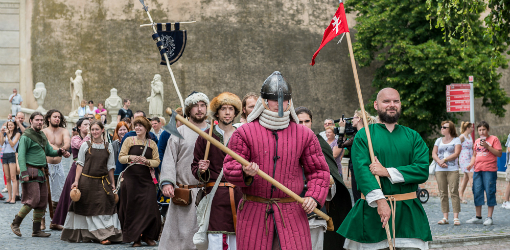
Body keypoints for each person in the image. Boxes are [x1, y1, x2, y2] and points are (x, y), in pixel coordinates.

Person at [223, 71, 330, 250]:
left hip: (292, 213)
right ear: (263, 101)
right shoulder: (244, 132)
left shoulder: (304, 134)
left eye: (285, 99)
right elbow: (229, 167)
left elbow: (318, 171)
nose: (280, 104)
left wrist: (313, 196)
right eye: (274, 99)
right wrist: (244, 172)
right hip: (254, 213)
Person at [338, 88, 432, 250]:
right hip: (373, 211)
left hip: (408, 213)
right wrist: (380, 201)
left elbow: (422, 170)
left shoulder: (413, 136)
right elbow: (362, 172)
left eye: (396, 101)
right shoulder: (364, 135)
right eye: (386, 101)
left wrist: (386, 171)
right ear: (376, 105)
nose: (392, 105)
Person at [295, 106, 352, 250]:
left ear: (312, 122)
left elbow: (330, 175)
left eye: (306, 121)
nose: (303, 125)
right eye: (299, 121)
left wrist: (328, 184)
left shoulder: (319, 143)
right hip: (291, 209)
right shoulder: (285, 144)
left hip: (316, 211)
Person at [159, 91, 210, 250]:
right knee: (179, 239)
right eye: (195, 106)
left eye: (202, 106)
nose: (199, 109)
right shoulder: (178, 134)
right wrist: (167, 182)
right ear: (188, 110)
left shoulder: (213, 134)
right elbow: (169, 159)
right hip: (184, 193)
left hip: (208, 194)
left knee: (205, 237)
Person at [191, 92, 243, 249]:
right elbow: (195, 167)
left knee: (238, 240)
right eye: (223, 109)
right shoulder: (205, 136)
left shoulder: (242, 136)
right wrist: (202, 170)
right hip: (216, 197)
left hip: (239, 196)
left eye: (231, 109)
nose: (227, 112)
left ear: (235, 113)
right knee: (216, 240)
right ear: (217, 112)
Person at [61, 121, 122, 244]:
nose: (94, 132)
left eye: (97, 129)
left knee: (104, 207)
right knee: (88, 208)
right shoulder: (85, 145)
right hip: (86, 182)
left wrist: (113, 183)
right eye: (92, 129)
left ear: (102, 130)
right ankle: (98, 236)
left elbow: (110, 167)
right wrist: (76, 182)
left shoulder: (107, 146)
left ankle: (106, 234)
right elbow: (80, 164)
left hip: (102, 182)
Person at [10, 112, 70, 238]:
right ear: (31, 121)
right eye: (37, 120)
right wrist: (24, 172)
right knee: (33, 200)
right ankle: (15, 223)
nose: (39, 122)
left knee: (42, 201)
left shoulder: (42, 135)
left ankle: (36, 230)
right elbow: (21, 155)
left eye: (41, 120)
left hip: (41, 172)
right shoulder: (26, 136)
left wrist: (59, 152)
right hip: (30, 172)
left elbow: (49, 150)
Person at [118, 116, 161, 247]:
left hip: (146, 179)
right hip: (131, 179)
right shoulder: (129, 140)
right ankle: (135, 238)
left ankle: (148, 236)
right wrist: (131, 157)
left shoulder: (152, 143)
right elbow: (121, 158)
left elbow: (157, 161)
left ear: (146, 128)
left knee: (150, 207)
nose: (137, 128)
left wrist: (147, 162)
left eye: (140, 126)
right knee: (133, 208)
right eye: (136, 125)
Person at [51, 118, 90, 228]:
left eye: (89, 124)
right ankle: (65, 221)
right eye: (85, 124)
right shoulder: (75, 138)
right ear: (79, 127)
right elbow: (82, 146)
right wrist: (89, 135)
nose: (88, 126)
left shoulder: (93, 138)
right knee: (72, 194)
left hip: (89, 169)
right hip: (76, 167)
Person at [466, 121, 502, 226]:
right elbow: (474, 155)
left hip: (489, 170)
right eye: (480, 130)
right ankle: (478, 217)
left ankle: (489, 217)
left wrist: (488, 146)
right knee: (477, 191)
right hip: (478, 170)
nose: (482, 132)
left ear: (488, 130)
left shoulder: (494, 139)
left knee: (490, 191)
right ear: (477, 131)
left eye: (484, 129)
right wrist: (471, 164)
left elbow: (499, 153)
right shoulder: (477, 141)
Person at [42, 109, 71, 231]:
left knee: (58, 195)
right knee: (43, 194)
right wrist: (61, 151)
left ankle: (54, 221)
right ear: (49, 118)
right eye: (55, 117)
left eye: (59, 117)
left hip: (58, 166)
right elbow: (48, 145)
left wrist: (63, 148)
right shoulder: (43, 131)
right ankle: (41, 221)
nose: (57, 119)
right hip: (45, 166)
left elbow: (67, 143)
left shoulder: (64, 131)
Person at [340, 109, 376, 203]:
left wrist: (342, 128)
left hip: (359, 167)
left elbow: (340, 144)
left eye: (353, 117)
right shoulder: (366, 133)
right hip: (363, 166)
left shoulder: (359, 135)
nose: (352, 120)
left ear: (359, 119)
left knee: (359, 196)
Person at [432, 120, 462, 226]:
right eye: (442, 127)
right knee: (443, 193)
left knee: (454, 192)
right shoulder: (438, 140)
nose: (442, 129)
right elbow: (434, 154)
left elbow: (456, 153)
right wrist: (439, 162)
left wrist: (443, 160)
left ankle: (456, 217)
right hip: (440, 170)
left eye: (445, 127)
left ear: (450, 129)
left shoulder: (456, 140)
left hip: (452, 169)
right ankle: (445, 217)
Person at [1, 120, 20, 204]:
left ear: (14, 126)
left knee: (13, 178)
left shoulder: (17, 134)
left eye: (11, 125)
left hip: (12, 155)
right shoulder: (5, 134)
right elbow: (1, 143)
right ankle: (9, 197)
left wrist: (8, 135)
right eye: (9, 125)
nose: (10, 127)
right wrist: (1, 133)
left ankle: (13, 198)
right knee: (7, 178)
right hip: (5, 155)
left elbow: (12, 144)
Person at [458, 121, 474, 204]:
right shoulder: (462, 137)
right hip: (464, 158)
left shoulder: (469, 136)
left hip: (470, 157)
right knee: (471, 175)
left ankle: (460, 195)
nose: (472, 128)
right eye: (471, 127)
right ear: (468, 128)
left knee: (466, 177)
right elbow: (455, 146)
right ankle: (476, 196)